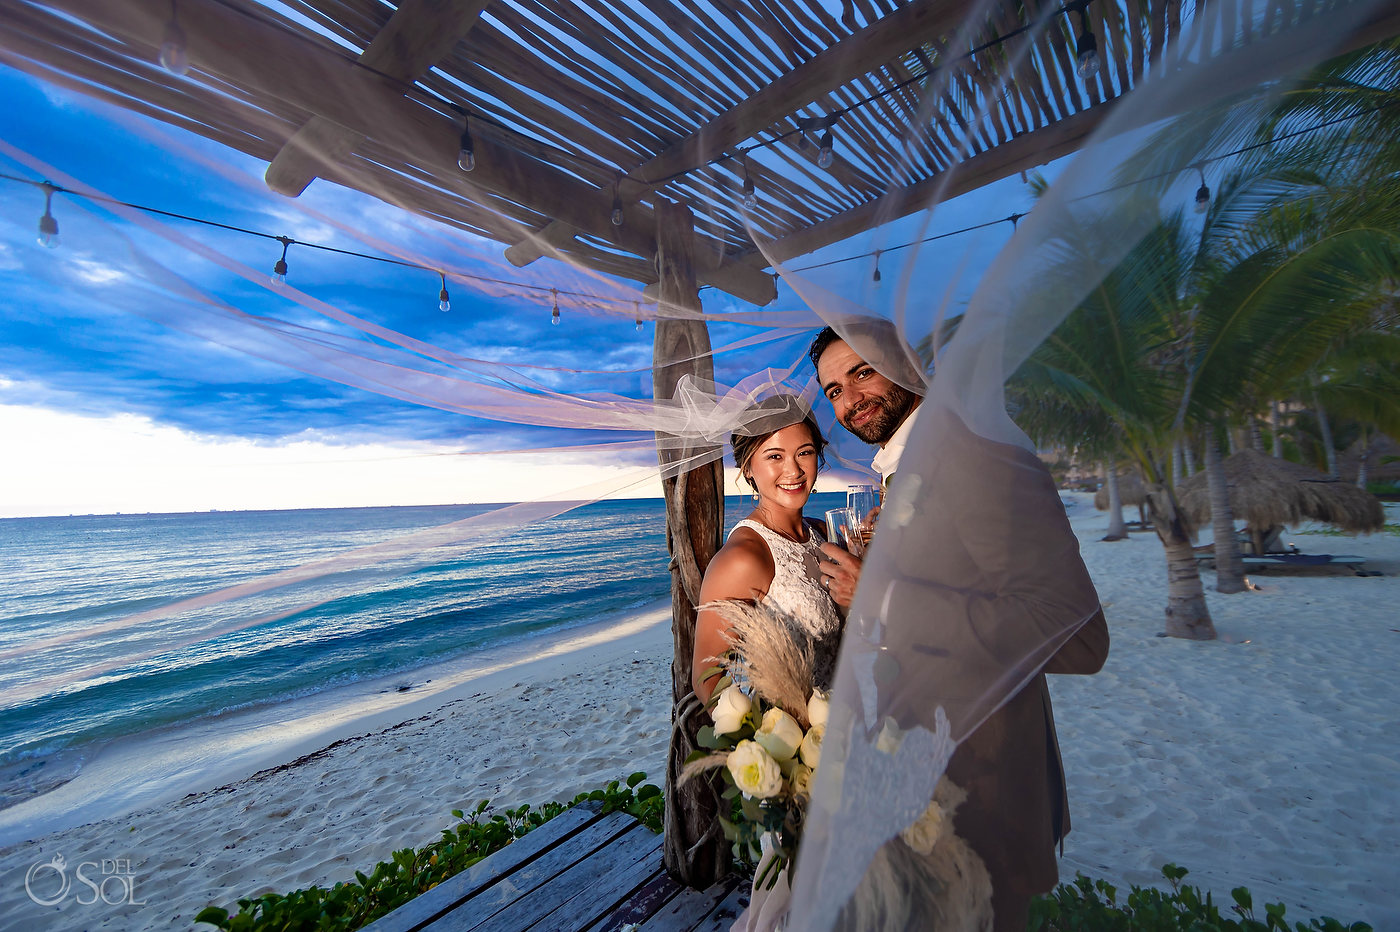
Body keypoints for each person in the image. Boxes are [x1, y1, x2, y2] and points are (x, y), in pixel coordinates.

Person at [808, 325, 1111, 932]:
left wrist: (882, 595)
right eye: (833, 390)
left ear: (904, 363)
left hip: (985, 777)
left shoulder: (977, 450)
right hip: (921, 773)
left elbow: (1076, 634)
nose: (848, 401)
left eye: (862, 372)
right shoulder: (913, 462)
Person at [692, 394, 842, 704]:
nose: (794, 470)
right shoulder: (743, 557)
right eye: (775, 456)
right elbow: (707, 680)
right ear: (748, 467)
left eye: (805, 452)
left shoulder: (824, 533)